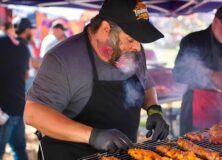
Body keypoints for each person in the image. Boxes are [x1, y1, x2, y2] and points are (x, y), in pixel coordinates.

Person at [24, 0, 169, 159]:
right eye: (130, 39)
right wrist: (93, 136)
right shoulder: (63, 59)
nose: (137, 47)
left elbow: (144, 81)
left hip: (122, 155)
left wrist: (153, 108)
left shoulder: (133, 52)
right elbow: (33, 113)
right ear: (106, 29)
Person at [173, 5, 222, 135]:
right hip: (196, 109)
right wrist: (210, 74)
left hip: (218, 110)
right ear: (215, 21)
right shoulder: (193, 40)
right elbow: (178, 73)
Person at [0, 18, 33, 160]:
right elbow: (26, 75)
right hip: (17, 106)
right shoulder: (23, 48)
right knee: (19, 148)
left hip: (5, 110)